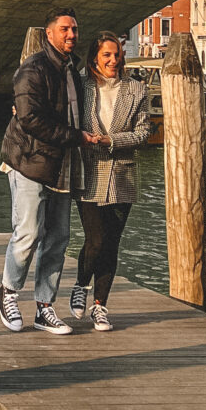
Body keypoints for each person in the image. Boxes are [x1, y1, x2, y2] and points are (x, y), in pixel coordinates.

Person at [0, 9, 103, 335]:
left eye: (75, 29)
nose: (72, 35)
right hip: (30, 161)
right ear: (49, 33)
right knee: (28, 233)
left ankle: (44, 308)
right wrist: (76, 137)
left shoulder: (72, 70)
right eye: (66, 29)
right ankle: (8, 293)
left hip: (62, 164)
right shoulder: (33, 70)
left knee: (58, 238)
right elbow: (30, 119)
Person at [71, 33, 150, 331]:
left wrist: (112, 140)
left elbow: (142, 133)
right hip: (89, 173)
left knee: (112, 244)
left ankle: (100, 306)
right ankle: (81, 284)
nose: (113, 61)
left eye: (116, 55)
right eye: (106, 55)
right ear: (95, 58)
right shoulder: (81, 87)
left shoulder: (136, 89)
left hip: (122, 174)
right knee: (96, 240)